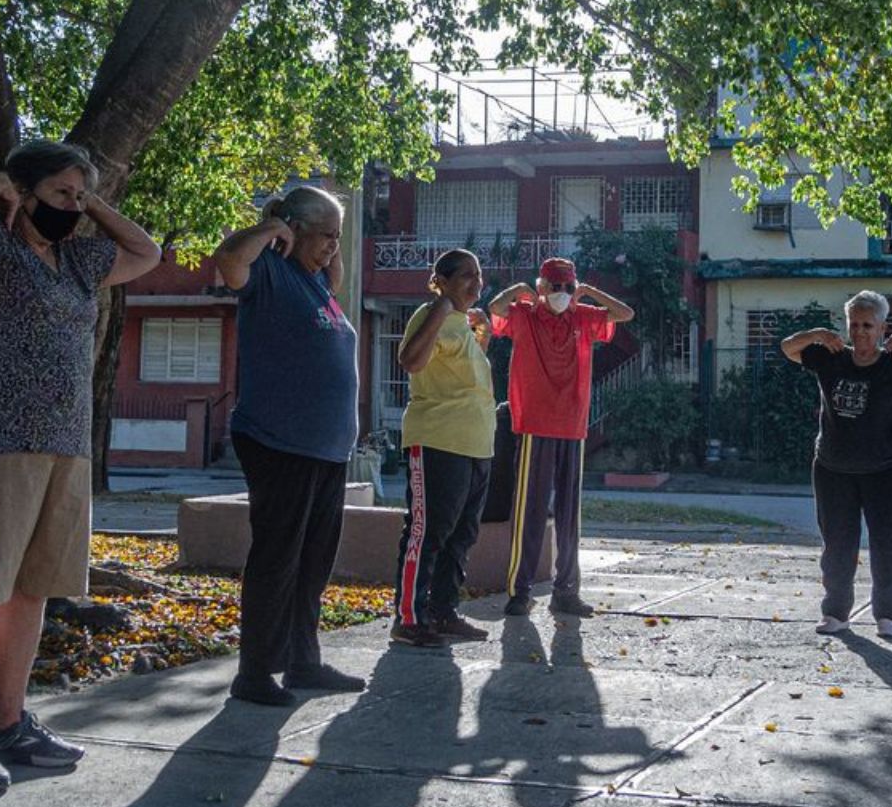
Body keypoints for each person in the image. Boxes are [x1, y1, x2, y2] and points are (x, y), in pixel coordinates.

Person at [0, 140, 161, 792]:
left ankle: (8, 723)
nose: (73, 208)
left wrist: (91, 199)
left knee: (31, 588)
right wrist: (2, 177)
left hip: (63, 442)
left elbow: (147, 254)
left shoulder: (79, 261)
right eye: (60, 195)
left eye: (77, 197)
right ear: (22, 196)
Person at [213, 186, 365, 706]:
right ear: (292, 230)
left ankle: (304, 661)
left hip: (325, 450)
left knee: (313, 562)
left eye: (337, 237)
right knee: (277, 559)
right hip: (279, 440)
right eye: (325, 235)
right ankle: (254, 672)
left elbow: (334, 269)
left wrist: (327, 243)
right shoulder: (271, 273)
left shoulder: (316, 283)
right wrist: (269, 228)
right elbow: (228, 261)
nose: (332, 247)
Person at [781, 290, 892, 639]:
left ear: (883, 328)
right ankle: (836, 612)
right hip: (833, 468)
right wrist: (817, 334)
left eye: (868, 325)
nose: (860, 332)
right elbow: (788, 348)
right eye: (855, 324)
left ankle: (888, 615)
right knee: (837, 544)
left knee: (890, 545)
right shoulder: (830, 358)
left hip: (888, 471)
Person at [487, 257, 634, 617]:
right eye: (556, 286)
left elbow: (625, 314)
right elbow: (493, 308)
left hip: (572, 424)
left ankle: (566, 591)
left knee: (570, 515)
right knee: (530, 512)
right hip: (535, 424)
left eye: (568, 286)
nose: (563, 293)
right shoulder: (525, 314)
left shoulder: (583, 315)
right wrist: (519, 290)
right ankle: (519, 591)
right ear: (542, 287)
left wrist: (589, 291)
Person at [389, 249, 496, 649]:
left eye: (479, 276)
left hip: (476, 442)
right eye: (466, 276)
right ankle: (410, 617)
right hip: (437, 439)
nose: (476, 283)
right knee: (428, 531)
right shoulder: (430, 313)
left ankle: (444, 611)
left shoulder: (462, 325)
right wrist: (442, 306)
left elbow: (458, 378)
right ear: (442, 280)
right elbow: (411, 361)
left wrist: (477, 337)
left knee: (462, 534)